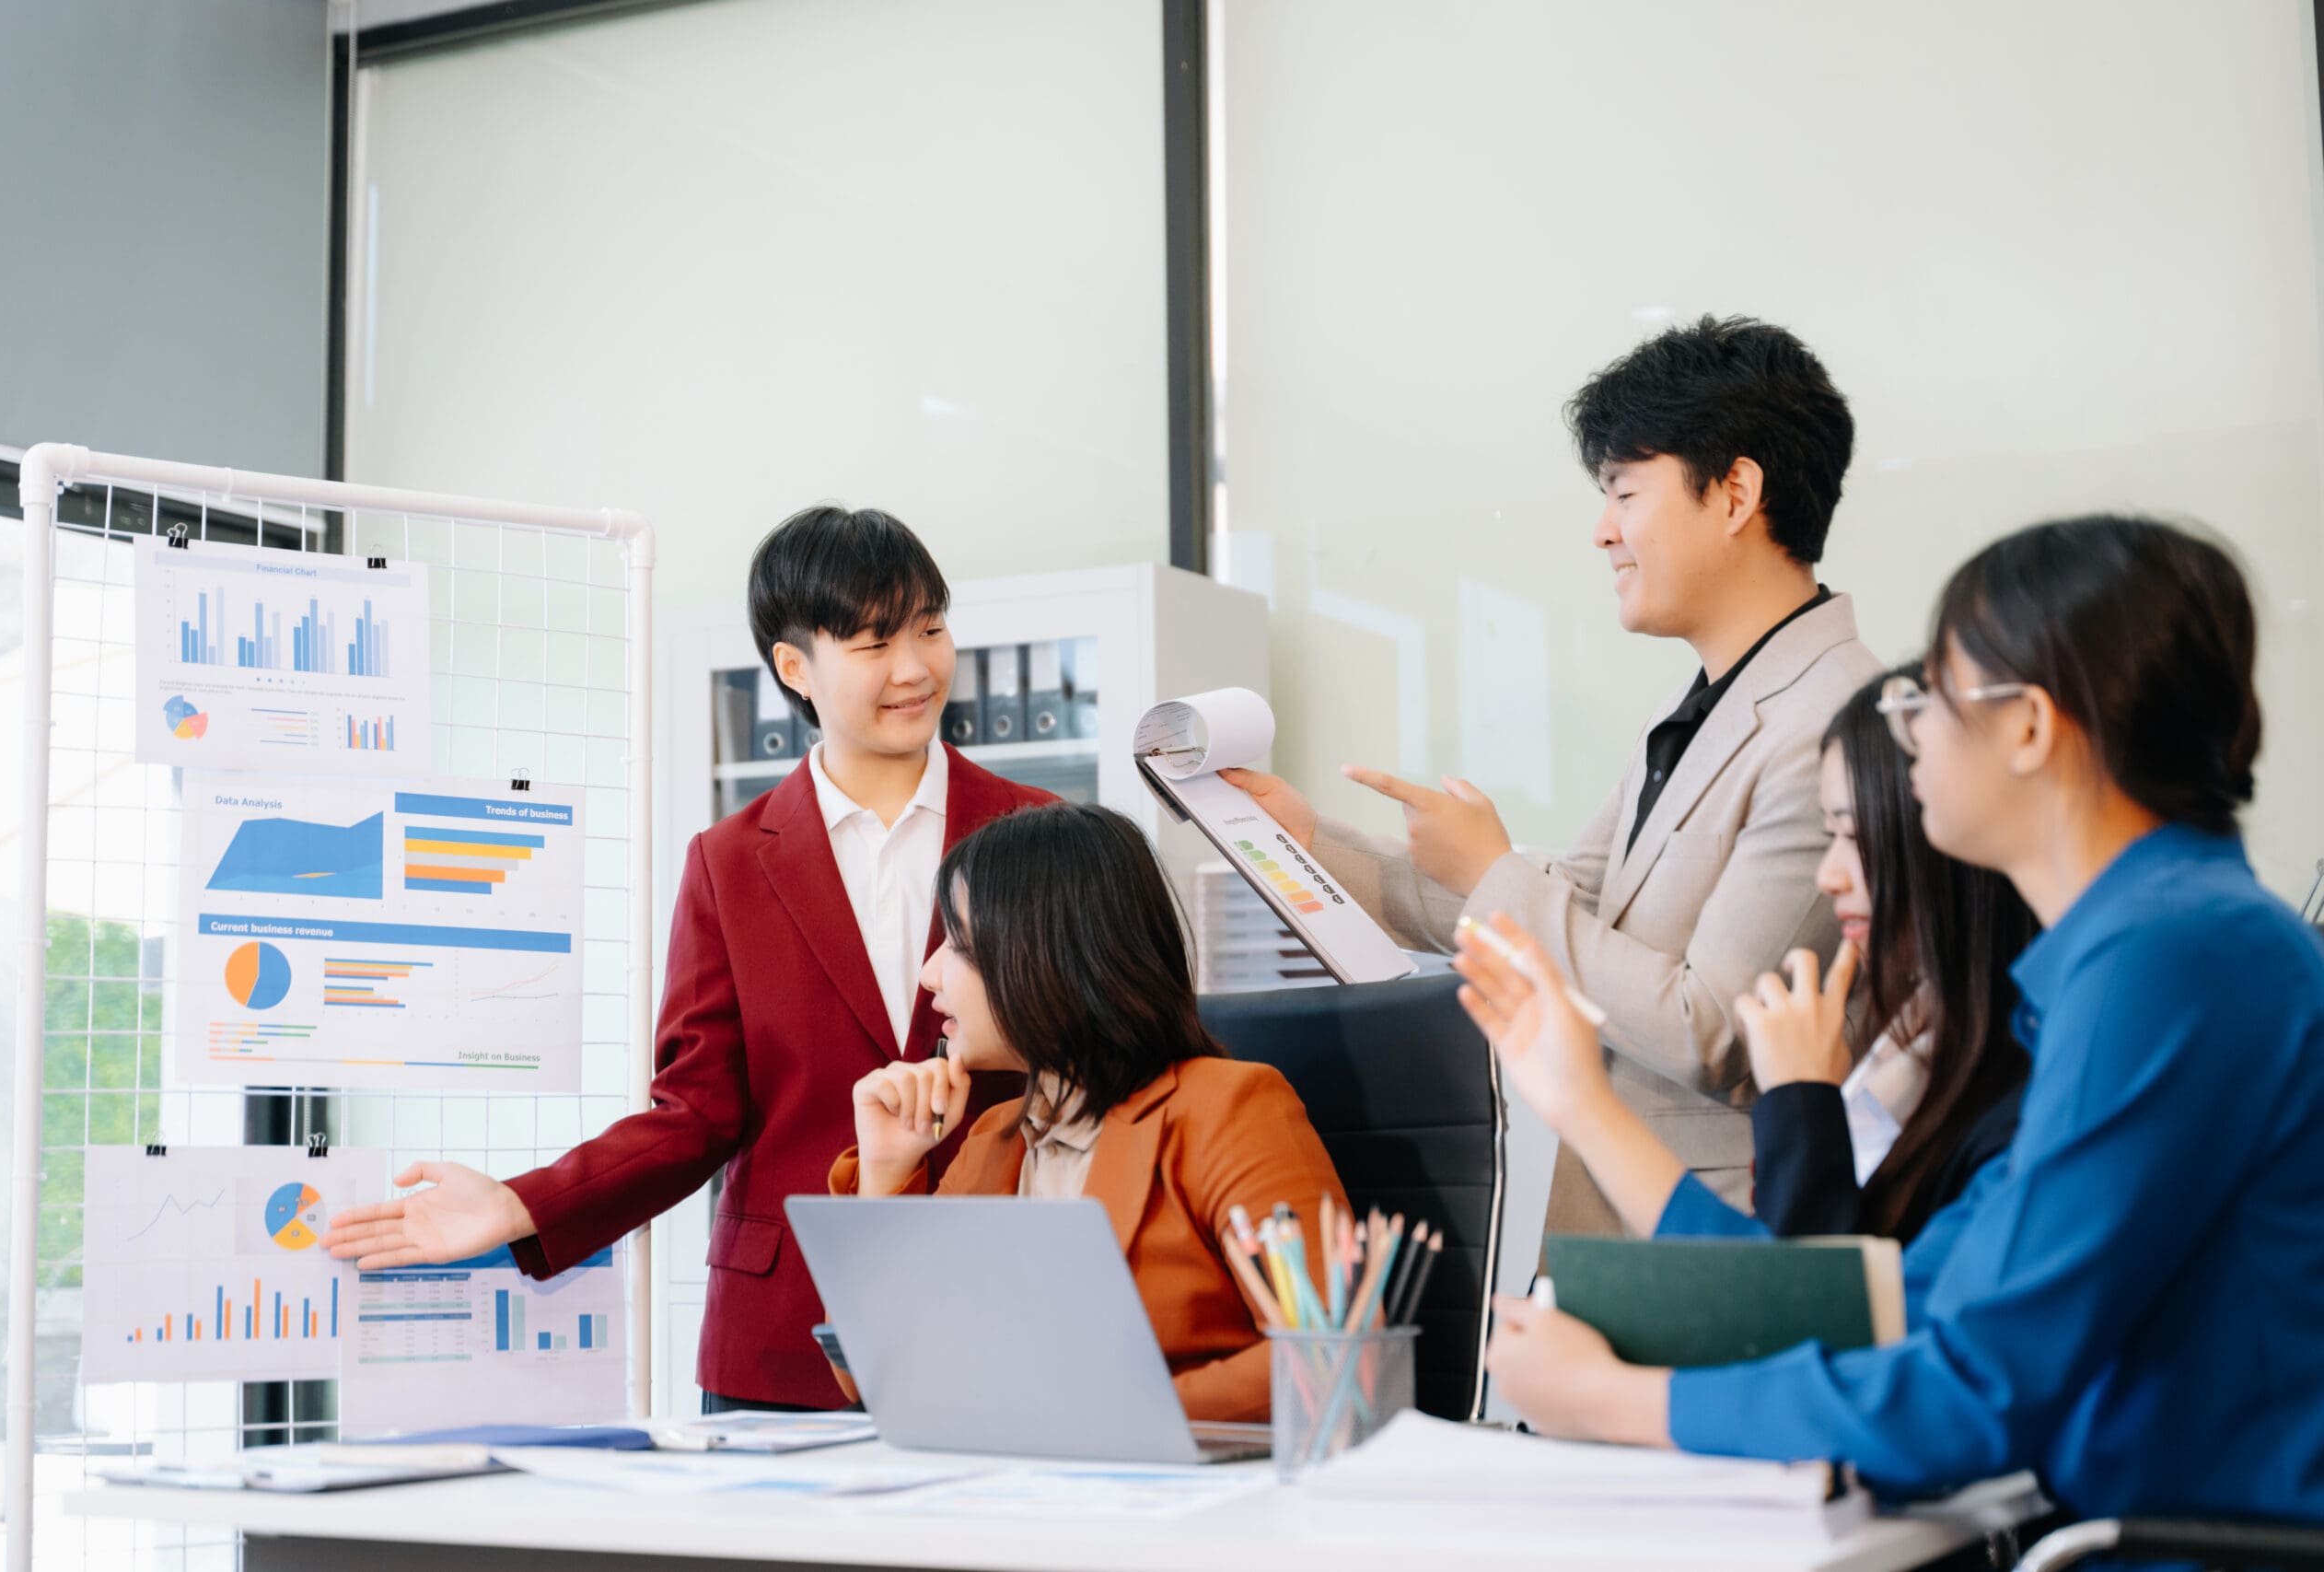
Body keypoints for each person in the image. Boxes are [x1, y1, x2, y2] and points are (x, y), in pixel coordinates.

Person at [1462, 515, 2324, 1530]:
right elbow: (1884, 1313)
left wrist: (1622, 1400)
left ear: (2032, 728)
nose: (1904, 730)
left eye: (1930, 699)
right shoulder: (2165, 946)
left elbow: (1972, 1390)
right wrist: (1583, 1100)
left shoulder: (2168, 960)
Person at [324, 505, 1058, 1412]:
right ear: (795, 667)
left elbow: (1091, 1052)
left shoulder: (1036, 832)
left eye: (931, 629)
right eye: (873, 643)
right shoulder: (731, 861)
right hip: (789, 1326)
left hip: (1009, 1298)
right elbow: (696, 1113)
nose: (915, 668)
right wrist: (522, 1204)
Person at [1225, 316, 1882, 1230]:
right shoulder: (1698, 705)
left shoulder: (1835, 721)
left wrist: (1489, 870)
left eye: (1623, 491)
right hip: (1616, 1222)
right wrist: (1304, 839)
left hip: (1722, 1241)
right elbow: (1546, 910)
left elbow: (1717, 1027)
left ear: (1735, 493)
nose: (1602, 532)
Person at [1465, 663, 2038, 1245]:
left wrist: (1802, 1099)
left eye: (1855, 836)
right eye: (1830, 834)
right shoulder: (1902, 1043)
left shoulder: (2013, 1075)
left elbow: (1811, 1296)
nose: (1829, 875)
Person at [825, 801, 1346, 1422]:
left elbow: (1326, 1357)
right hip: (1026, 1492)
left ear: (1048, 951)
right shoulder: (996, 1139)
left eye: (958, 943)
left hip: (1182, 1494)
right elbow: (868, 1369)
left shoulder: (1225, 1108)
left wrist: (1108, 1416)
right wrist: (884, 1176)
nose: (929, 973)